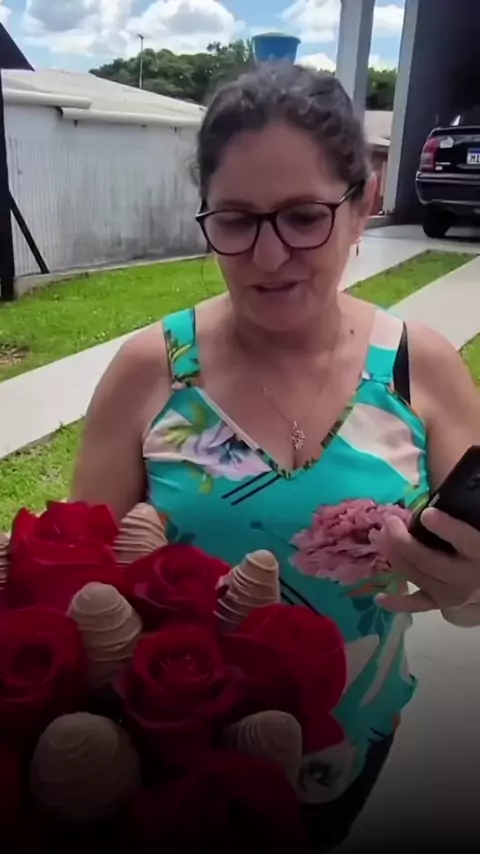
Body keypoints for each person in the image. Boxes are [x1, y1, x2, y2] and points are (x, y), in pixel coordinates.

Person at [71, 64, 480, 849]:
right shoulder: (152, 370)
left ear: (362, 204)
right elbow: (82, 590)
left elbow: (467, 588)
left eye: (302, 217)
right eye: (235, 220)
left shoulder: (420, 369)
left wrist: (465, 591)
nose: (267, 256)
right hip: (172, 771)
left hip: (347, 754)